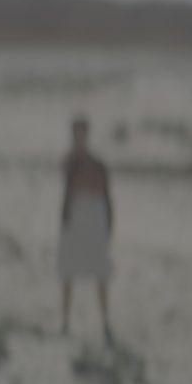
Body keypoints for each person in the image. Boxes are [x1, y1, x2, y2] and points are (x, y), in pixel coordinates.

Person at [57, 117, 114, 340]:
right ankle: (65, 322)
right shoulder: (71, 161)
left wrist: (109, 223)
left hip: (94, 218)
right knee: (68, 272)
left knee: (100, 272)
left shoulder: (97, 164)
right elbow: (64, 172)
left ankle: (105, 322)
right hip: (75, 219)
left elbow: (106, 193)